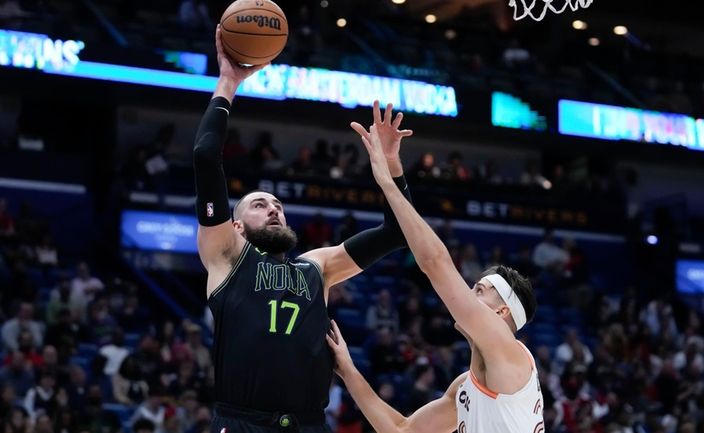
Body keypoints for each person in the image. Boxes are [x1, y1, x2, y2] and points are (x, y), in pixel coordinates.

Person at [193, 25, 414, 433]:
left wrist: (392, 168)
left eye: (278, 205)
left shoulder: (317, 267)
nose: (274, 209)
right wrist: (228, 80)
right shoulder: (226, 256)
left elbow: (398, 232)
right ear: (237, 225)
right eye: (261, 205)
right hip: (243, 424)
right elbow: (206, 156)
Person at [326, 122, 543, 433]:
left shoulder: (508, 349)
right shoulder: (465, 387)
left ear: (502, 312)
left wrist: (388, 182)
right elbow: (401, 430)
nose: (468, 292)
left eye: (479, 290)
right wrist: (347, 370)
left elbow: (436, 263)